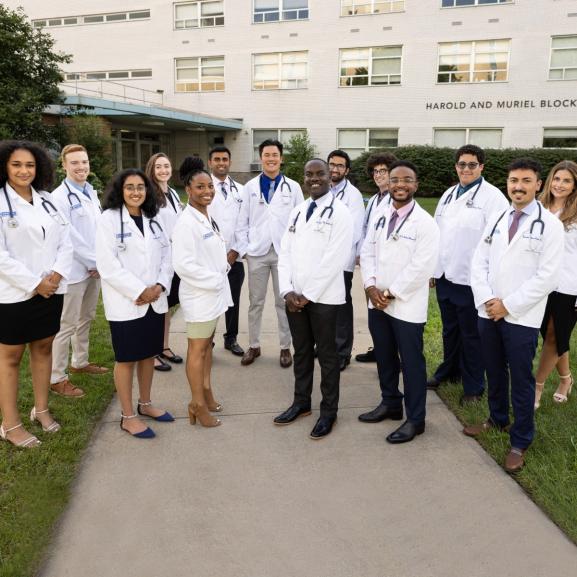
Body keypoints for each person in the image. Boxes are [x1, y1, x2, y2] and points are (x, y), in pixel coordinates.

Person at [464, 158, 564, 472]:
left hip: (521, 316)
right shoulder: (497, 218)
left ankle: (521, 439)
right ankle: (497, 418)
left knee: (521, 379)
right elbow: (478, 261)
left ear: (538, 185)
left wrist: (509, 304)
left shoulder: (550, 225)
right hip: (489, 311)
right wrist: (486, 299)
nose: (518, 187)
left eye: (525, 181)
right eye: (513, 181)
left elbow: (548, 277)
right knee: (493, 369)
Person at [359, 160, 440, 444]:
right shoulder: (380, 213)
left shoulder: (426, 224)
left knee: (412, 363)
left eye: (407, 180)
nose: (400, 185)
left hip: (404, 304)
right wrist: (370, 286)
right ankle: (390, 402)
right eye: (394, 180)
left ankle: (416, 419)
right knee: (384, 355)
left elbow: (422, 267)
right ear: (388, 184)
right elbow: (367, 250)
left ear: (416, 185)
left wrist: (390, 292)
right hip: (377, 301)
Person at [0, 140, 72, 448]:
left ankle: (40, 409)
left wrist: (55, 275)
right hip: (15, 294)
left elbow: (65, 241)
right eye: (16, 165)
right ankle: (10, 424)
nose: (23, 171)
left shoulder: (47, 200)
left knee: (44, 347)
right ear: (5, 166)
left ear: (38, 167)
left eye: (29, 165)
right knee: (11, 357)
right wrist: (34, 283)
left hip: (51, 290)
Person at [275, 159, 353, 438]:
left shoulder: (340, 213)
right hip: (295, 297)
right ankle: (301, 403)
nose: (314, 178)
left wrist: (307, 295)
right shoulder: (297, 211)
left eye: (320, 173)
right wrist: (287, 291)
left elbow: (335, 259)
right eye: (309, 174)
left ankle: (328, 412)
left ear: (329, 177)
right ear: (304, 178)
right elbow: (284, 253)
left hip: (324, 299)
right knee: (302, 352)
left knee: (328, 356)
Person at [96, 169, 174, 439]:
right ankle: (128, 416)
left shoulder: (154, 218)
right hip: (126, 302)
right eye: (129, 187)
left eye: (141, 187)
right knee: (127, 358)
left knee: (148, 355)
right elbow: (107, 265)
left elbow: (167, 254)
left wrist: (160, 286)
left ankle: (146, 403)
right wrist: (139, 290)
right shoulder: (108, 220)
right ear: (120, 190)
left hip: (155, 300)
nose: (136, 192)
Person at [429, 145, 509, 403]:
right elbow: (437, 233)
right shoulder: (449, 194)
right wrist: (433, 271)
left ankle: (474, 387)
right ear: (456, 166)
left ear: (481, 167)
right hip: (445, 276)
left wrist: (488, 280)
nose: (466, 169)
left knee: (472, 335)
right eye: (462, 164)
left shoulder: (493, 197)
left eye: (472, 164)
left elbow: (497, 242)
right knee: (450, 330)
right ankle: (449, 371)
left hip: (471, 279)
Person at [172, 157, 232, 428]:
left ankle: (206, 393)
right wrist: (215, 280)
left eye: (209, 186)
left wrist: (219, 277)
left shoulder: (206, 216)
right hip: (200, 295)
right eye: (200, 187)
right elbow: (183, 265)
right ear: (188, 189)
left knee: (207, 347)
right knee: (197, 350)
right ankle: (196, 404)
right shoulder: (186, 222)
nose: (207, 191)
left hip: (213, 294)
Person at [236, 139, 304, 368]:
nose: (271, 159)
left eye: (275, 155)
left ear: (281, 158)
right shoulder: (250, 187)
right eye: (267, 155)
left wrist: (296, 251)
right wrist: (245, 250)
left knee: (283, 302)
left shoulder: (293, 187)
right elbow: (241, 221)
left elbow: (301, 222)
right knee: (255, 302)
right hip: (257, 253)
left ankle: (285, 347)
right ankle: (254, 345)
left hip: (284, 254)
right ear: (261, 158)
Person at [50, 144, 108, 399]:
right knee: (66, 324)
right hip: (74, 271)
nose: (81, 167)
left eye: (84, 162)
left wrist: (98, 262)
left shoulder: (90, 193)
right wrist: (94, 262)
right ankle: (56, 377)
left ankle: (80, 362)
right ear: (64, 165)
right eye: (74, 163)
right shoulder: (58, 198)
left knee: (85, 319)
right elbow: (69, 238)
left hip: (94, 268)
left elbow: (98, 230)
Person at [534, 160, 577, 408]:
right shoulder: (538, 207)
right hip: (541, 281)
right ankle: (566, 379)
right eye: (557, 179)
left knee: (553, 334)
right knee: (553, 335)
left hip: (568, 286)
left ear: (574, 186)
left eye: (567, 181)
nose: (560, 185)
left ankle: (536, 387)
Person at [355, 152, 397, 364]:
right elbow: (365, 229)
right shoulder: (373, 200)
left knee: (388, 312)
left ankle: (392, 356)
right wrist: (361, 254)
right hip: (370, 264)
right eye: (376, 171)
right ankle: (379, 349)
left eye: (384, 171)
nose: (378, 175)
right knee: (374, 312)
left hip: (387, 265)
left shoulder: (396, 199)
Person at [145, 152, 184, 372]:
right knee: (157, 306)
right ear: (152, 169)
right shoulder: (150, 194)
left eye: (166, 166)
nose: (163, 171)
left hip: (174, 255)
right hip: (159, 256)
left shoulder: (172, 193)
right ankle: (151, 353)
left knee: (166, 306)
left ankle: (164, 346)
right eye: (158, 167)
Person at [327, 150, 365, 371]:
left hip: (341, 260)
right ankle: (326, 346)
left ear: (347, 170)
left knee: (341, 307)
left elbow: (354, 231)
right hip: (322, 261)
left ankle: (342, 352)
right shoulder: (322, 189)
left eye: (340, 166)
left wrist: (332, 252)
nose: (335, 169)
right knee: (323, 305)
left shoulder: (353, 195)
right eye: (332, 164)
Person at [207, 146, 245, 357]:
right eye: (217, 159)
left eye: (224, 159)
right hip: (210, 258)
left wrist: (235, 251)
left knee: (234, 301)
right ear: (210, 162)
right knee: (211, 301)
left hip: (234, 257)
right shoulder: (203, 186)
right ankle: (208, 340)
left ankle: (231, 339)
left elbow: (243, 224)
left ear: (229, 162)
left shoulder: (240, 190)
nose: (221, 163)